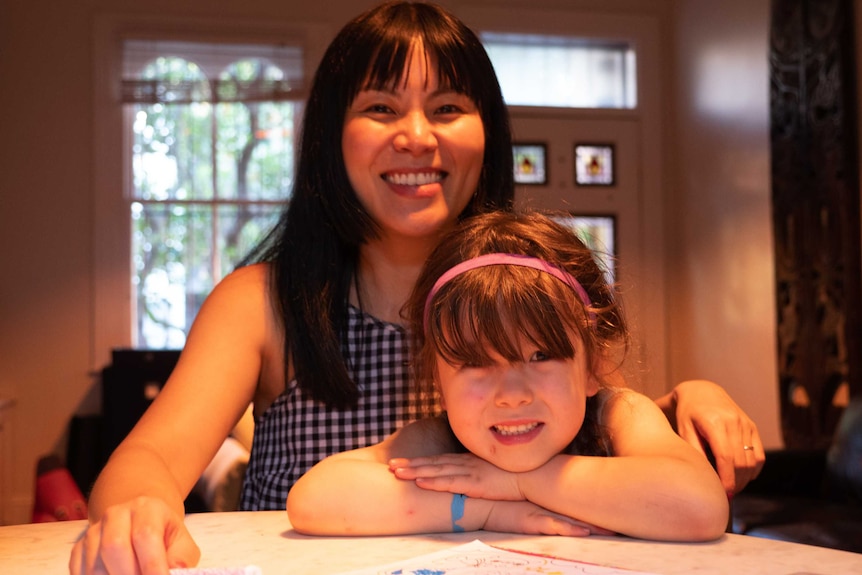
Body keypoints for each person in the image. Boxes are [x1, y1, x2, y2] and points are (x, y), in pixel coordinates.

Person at [70, 2, 761, 573]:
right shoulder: (263, 301)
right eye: (380, 107)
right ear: (330, 139)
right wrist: (138, 502)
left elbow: (597, 420)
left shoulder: (527, 296)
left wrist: (685, 400)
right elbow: (151, 458)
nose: (417, 137)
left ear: (487, 131)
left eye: (449, 107)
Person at [287, 210, 730, 541]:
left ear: (593, 365)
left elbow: (698, 506)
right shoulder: (441, 441)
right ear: (437, 379)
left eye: (541, 356)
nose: (512, 395)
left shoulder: (618, 416)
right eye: (475, 362)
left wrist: (519, 481)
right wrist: (488, 511)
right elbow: (314, 499)